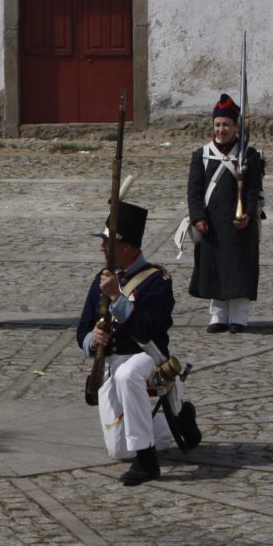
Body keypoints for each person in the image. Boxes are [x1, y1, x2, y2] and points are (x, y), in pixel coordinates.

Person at [77, 202, 184, 486]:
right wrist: (91, 340)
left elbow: (147, 329)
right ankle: (169, 426)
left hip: (146, 356)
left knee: (128, 376)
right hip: (111, 362)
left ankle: (148, 460)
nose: (102, 248)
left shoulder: (157, 280)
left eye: (107, 242)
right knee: (118, 450)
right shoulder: (101, 280)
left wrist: (116, 299)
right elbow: (82, 328)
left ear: (126, 246)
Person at [187, 94, 265, 334]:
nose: (221, 130)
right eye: (218, 125)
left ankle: (239, 317)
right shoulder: (201, 155)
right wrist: (198, 217)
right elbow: (195, 190)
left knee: (238, 269)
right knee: (214, 268)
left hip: (239, 222)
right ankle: (218, 316)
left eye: (226, 125)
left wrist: (248, 215)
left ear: (235, 127)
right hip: (211, 222)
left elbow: (253, 190)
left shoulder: (248, 155)